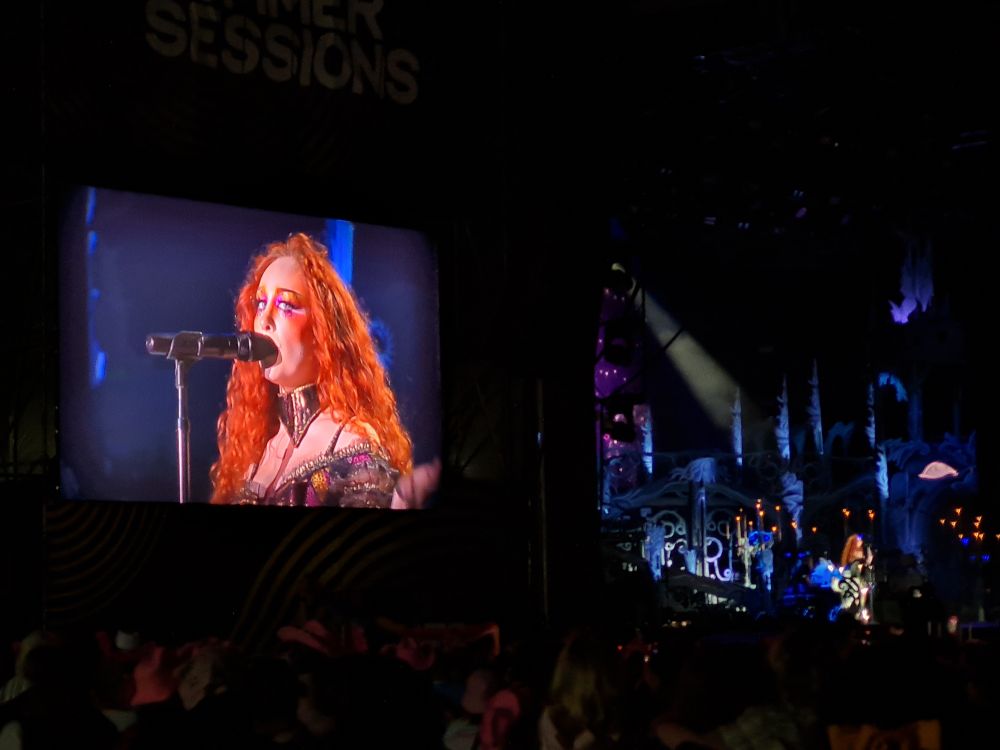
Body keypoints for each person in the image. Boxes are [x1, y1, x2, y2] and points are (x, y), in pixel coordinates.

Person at [210, 232, 438, 508]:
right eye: (261, 303)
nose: (264, 320)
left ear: (322, 332)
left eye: (285, 305)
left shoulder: (351, 446)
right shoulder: (256, 447)